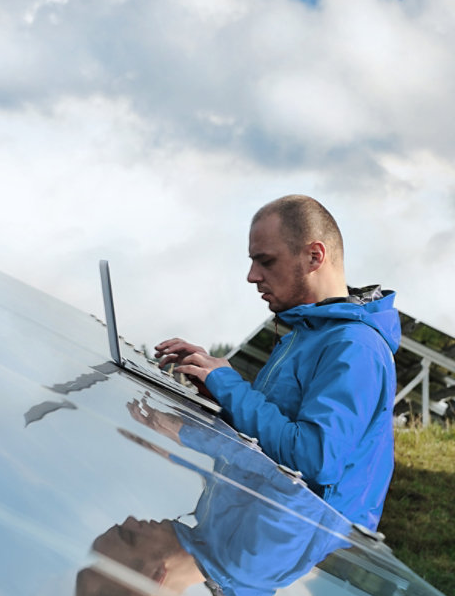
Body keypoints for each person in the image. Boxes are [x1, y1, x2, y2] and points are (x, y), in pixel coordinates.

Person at [154, 195, 399, 530]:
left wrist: (229, 386)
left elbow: (313, 459)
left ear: (315, 256)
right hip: (256, 533)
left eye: (265, 261)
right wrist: (214, 392)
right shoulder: (305, 335)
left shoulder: (356, 347)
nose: (252, 276)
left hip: (296, 549)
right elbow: (271, 437)